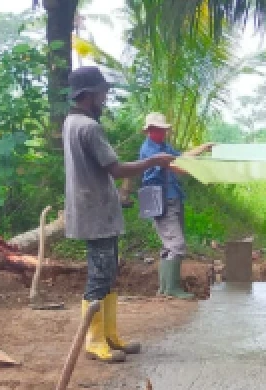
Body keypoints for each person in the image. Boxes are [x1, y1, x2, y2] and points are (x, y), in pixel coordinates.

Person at [64, 67, 177, 363]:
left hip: (92, 209)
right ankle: (94, 340)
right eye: (102, 92)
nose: (105, 97)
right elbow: (116, 169)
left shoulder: (71, 122)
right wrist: (155, 160)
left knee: (109, 273)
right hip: (96, 212)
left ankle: (110, 335)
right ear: (88, 95)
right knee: (100, 276)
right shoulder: (89, 128)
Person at [138, 113, 213, 299]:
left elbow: (181, 158)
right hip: (160, 200)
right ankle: (172, 289)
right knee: (176, 244)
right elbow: (178, 167)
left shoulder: (164, 146)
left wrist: (203, 148)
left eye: (162, 129)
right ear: (148, 131)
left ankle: (164, 289)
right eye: (156, 129)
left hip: (172, 197)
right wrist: (206, 171)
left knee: (169, 245)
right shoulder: (150, 149)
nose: (160, 132)